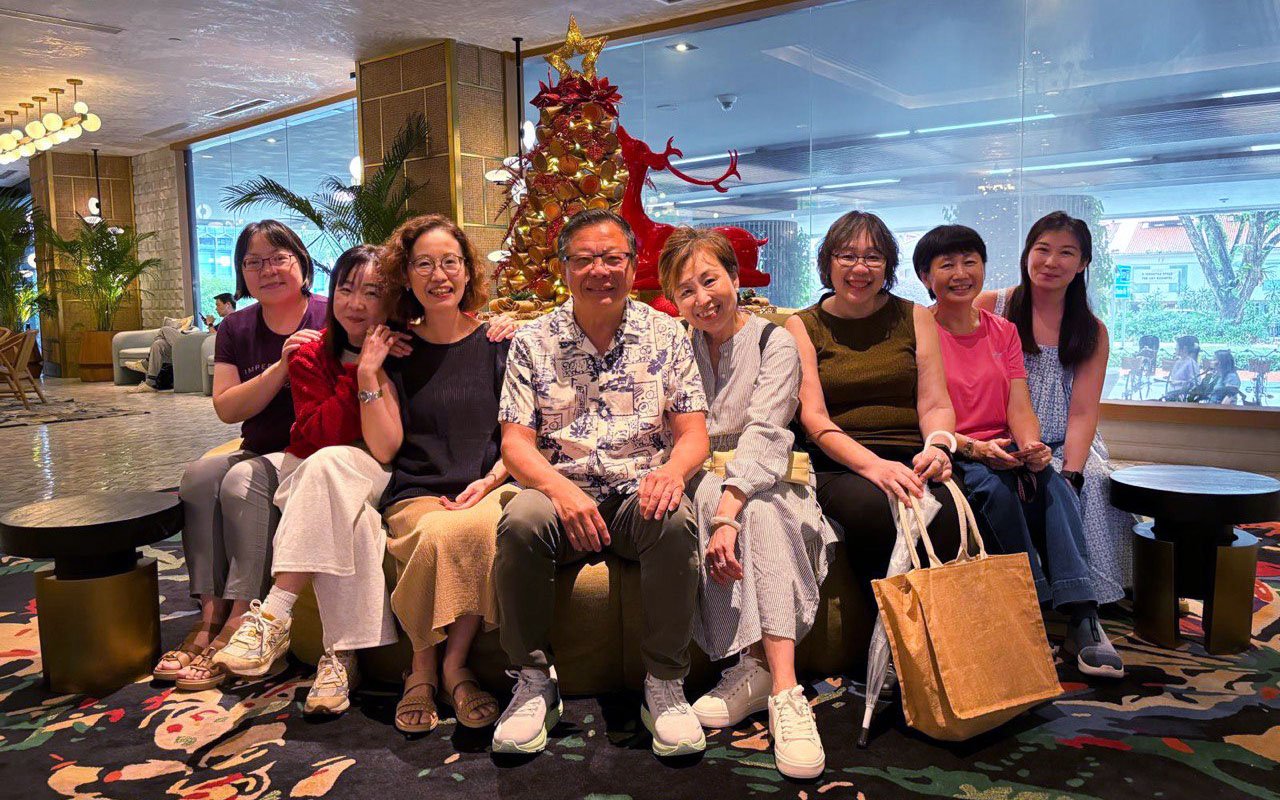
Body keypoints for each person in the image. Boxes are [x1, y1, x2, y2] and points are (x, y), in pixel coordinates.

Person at [492, 208, 710, 758]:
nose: (600, 271)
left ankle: (664, 684)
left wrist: (671, 472)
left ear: (633, 266)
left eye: (613, 258)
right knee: (520, 520)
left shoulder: (666, 334)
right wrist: (559, 491)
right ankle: (533, 682)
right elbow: (515, 443)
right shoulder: (533, 340)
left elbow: (693, 434)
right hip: (561, 492)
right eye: (585, 259)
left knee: (675, 517)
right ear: (564, 268)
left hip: (638, 491)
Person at [658, 227, 834, 779]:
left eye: (710, 280)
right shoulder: (674, 347)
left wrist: (727, 514)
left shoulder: (773, 341)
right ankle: (758, 672)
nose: (702, 298)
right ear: (673, 301)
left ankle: (782, 690)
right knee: (740, 506)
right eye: (686, 291)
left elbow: (766, 434)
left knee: (759, 510)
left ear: (735, 277)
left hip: (771, 477)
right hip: (702, 478)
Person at [915, 224, 1124, 678]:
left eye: (970, 262)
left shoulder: (1004, 329)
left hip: (1007, 442)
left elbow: (1019, 402)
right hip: (957, 448)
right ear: (925, 276)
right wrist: (974, 448)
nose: (960, 274)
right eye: (947, 265)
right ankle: (1032, 612)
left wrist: (1031, 445)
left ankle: (1084, 618)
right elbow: (929, 408)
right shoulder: (921, 328)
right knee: (999, 494)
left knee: (1058, 488)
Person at [210, 245, 400, 713]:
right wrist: (361, 370)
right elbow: (319, 433)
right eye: (346, 290)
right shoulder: (310, 353)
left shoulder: (403, 347)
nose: (355, 303)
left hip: (374, 469)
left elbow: (384, 449)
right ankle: (339, 658)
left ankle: (274, 613)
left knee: (332, 467)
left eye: (372, 292)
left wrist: (371, 367)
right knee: (351, 514)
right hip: (312, 466)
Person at [152, 220, 328, 690]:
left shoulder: (329, 315)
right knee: (198, 475)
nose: (267, 270)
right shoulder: (236, 327)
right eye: (254, 262)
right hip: (257, 447)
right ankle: (210, 614)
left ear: (301, 263)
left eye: (278, 258)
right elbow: (228, 408)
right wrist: (281, 367)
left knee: (240, 480)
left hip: (310, 453)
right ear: (241, 272)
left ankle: (242, 618)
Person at [372, 214, 519, 735]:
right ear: (406, 276)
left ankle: (447, 666)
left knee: (476, 529)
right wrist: (370, 371)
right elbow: (384, 447)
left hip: (488, 485)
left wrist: (494, 479)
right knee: (437, 532)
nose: (439, 275)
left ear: (468, 270)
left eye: (450, 262)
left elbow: (522, 433)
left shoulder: (500, 342)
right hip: (417, 492)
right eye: (424, 264)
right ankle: (424, 667)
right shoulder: (395, 352)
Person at [784, 210, 961, 604]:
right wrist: (873, 467)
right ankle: (889, 632)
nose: (860, 268)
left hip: (914, 457)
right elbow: (814, 418)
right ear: (828, 262)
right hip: (840, 464)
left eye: (873, 257)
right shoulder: (803, 325)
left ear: (888, 265)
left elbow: (935, 403)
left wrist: (938, 447)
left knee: (947, 510)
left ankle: (942, 631)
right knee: (874, 510)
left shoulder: (914, 316)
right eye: (847, 256)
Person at [978, 211, 1135, 606]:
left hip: (1065, 441)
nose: (1051, 262)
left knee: (1094, 483)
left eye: (1066, 253)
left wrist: (1072, 473)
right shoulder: (992, 306)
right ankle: (1028, 592)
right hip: (1000, 435)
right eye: (1042, 249)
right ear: (1027, 253)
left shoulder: (1091, 329)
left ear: (1082, 264)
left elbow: (1083, 412)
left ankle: (1092, 594)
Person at [124, 315, 196, 392]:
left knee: (165, 329)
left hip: (191, 348)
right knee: (158, 344)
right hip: (181, 346)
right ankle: (150, 383)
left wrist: (210, 324)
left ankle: (146, 363)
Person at [1165, 335, 1201, 401]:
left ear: (1184, 348)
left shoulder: (1191, 363)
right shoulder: (1178, 361)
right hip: (1172, 395)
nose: (1175, 348)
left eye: (1177, 346)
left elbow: (1196, 383)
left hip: (1182, 398)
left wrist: (1179, 383)